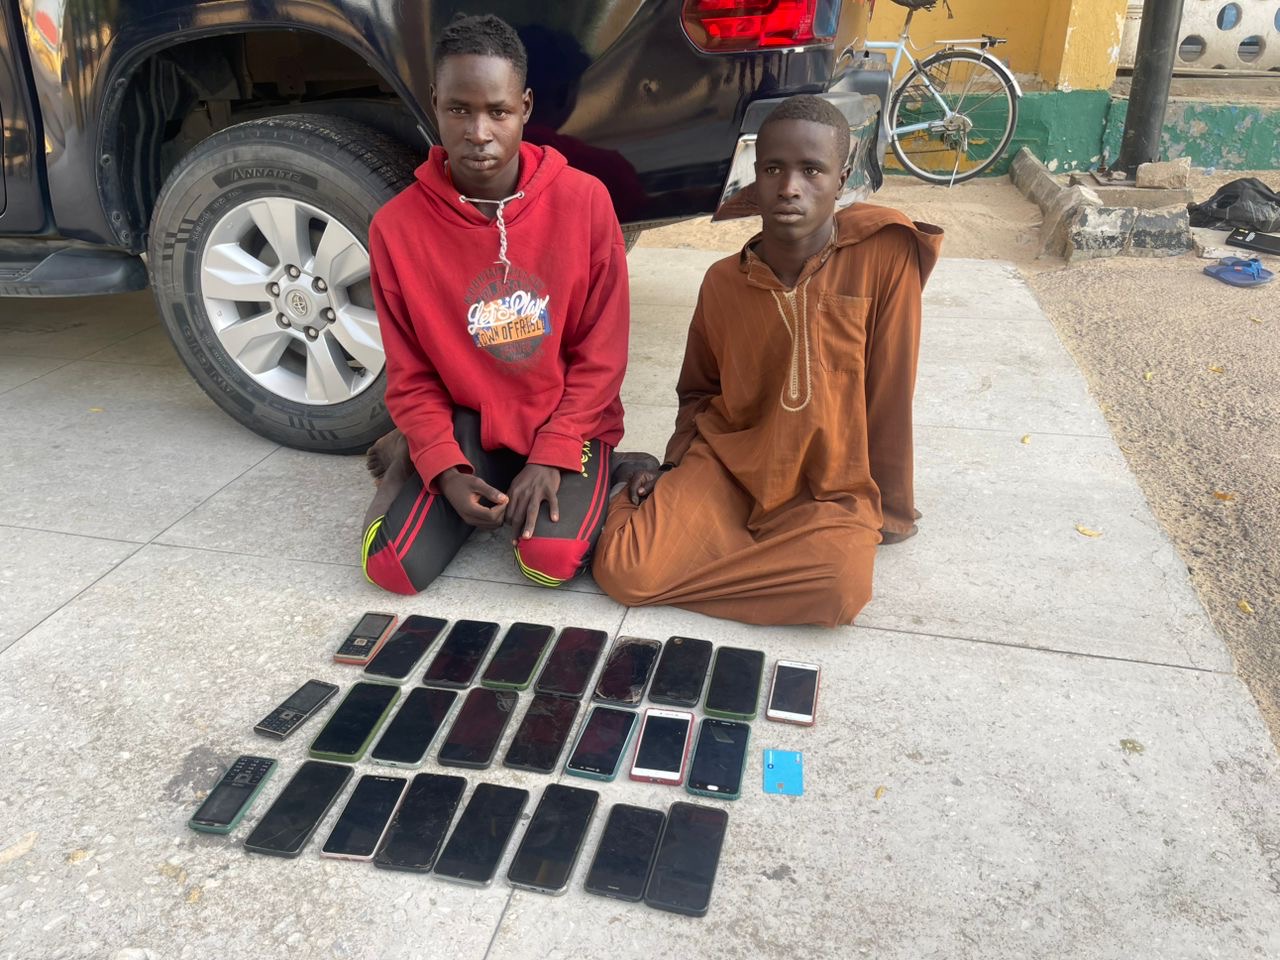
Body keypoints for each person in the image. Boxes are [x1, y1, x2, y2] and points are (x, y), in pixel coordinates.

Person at [592, 95, 943, 627]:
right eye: (773, 169)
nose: (789, 187)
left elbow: (891, 389)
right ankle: (640, 493)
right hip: (729, 468)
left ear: (843, 176)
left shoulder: (884, 255)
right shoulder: (722, 282)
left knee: (841, 587)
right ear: (754, 176)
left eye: (812, 170)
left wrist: (890, 507)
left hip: (828, 488)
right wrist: (671, 469)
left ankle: (729, 553)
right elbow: (699, 392)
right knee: (626, 571)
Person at [361, 13, 653, 595]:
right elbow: (411, 374)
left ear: (524, 107)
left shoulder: (585, 202)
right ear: (434, 103)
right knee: (391, 567)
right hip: (469, 418)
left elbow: (601, 357)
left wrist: (553, 453)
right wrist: (443, 466)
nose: (478, 132)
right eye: (458, 109)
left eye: (497, 111)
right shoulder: (396, 228)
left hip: (567, 417)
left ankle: (609, 466)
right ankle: (412, 451)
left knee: (548, 562)